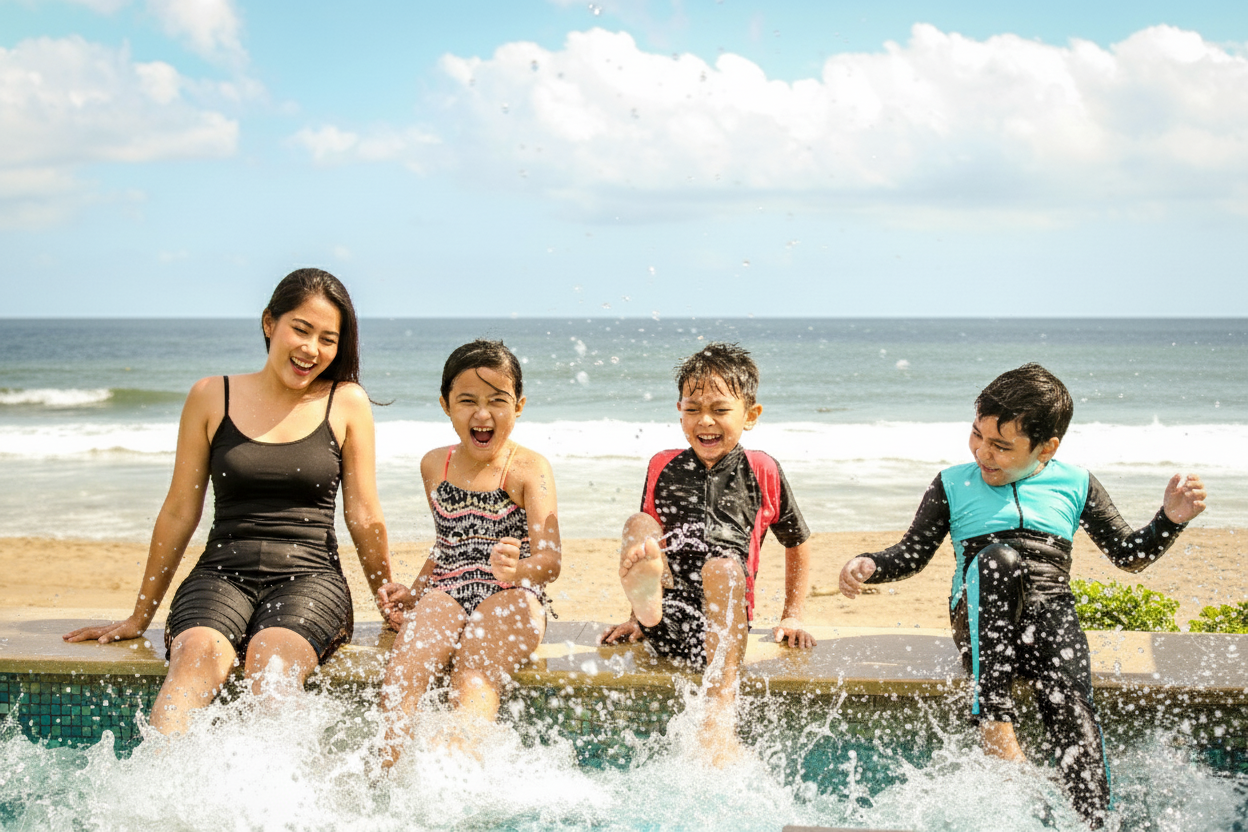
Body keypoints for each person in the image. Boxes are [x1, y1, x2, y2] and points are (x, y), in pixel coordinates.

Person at [838, 362, 1207, 828]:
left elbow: (1127, 554)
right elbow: (912, 553)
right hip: (979, 618)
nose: (982, 453)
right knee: (999, 559)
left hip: (1048, 618)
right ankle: (994, 722)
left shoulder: (1076, 482)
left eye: (1001, 446)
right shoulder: (953, 483)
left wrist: (1169, 520)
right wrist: (872, 564)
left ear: (1046, 448)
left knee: (1071, 703)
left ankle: (1093, 819)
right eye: (977, 435)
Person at [64, 268, 393, 735]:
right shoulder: (210, 396)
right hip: (221, 575)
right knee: (195, 659)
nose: (311, 349)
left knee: (271, 663)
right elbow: (179, 511)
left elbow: (363, 515)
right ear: (269, 323)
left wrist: (387, 602)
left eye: (328, 339)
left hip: (311, 578)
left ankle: (279, 782)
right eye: (301, 330)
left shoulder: (346, 402)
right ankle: (164, 776)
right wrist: (140, 615)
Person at [599, 342, 816, 764]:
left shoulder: (761, 469)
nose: (705, 421)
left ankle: (719, 712)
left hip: (726, 629)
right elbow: (647, 554)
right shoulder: (662, 465)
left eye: (720, 409)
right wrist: (635, 618)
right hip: (669, 621)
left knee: (721, 568)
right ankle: (646, 611)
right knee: (639, 525)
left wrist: (792, 614)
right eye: (693, 408)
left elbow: (797, 541)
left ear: (750, 415)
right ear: (679, 411)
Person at [377, 339, 560, 765]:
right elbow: (447, 544)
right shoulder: (434, 465)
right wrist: (415, 592)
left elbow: (550, 562)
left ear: (518, 406)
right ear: (445, 404)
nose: (482, 414)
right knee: (407, 663)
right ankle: (386, 771)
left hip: (513, 596)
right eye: (467, 401)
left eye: (497, 400)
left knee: (473, 672)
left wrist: (517, 569)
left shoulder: (529, 468)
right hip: (447, 590)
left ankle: (461, 771)